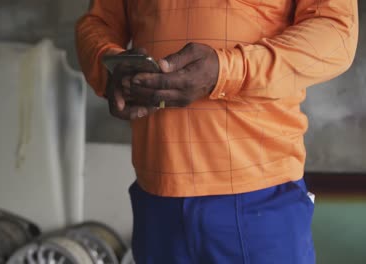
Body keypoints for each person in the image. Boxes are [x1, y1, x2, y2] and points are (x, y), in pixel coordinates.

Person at [76, 1, 358, 263]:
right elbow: (98, 24)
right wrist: (109, 66)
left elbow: (336, 32)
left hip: (259, 195)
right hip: (157, 198)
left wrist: (226, 70)